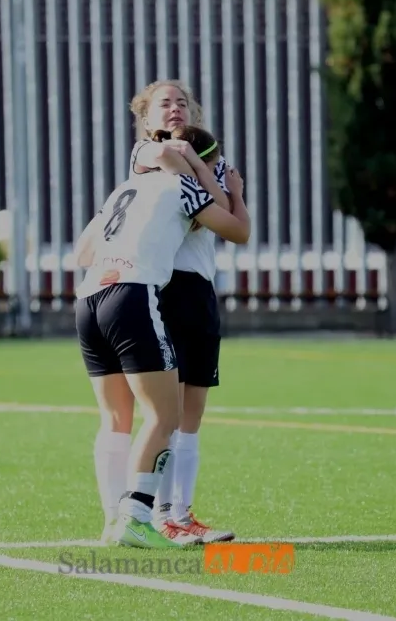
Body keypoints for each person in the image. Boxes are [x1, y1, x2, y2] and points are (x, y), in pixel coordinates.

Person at [73, 125, 250, 549]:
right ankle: (137, 517)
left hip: (88, 299)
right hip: (132, 295)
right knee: (165, 417)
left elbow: (83, 252)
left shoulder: (124, 188)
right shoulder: (184, 188)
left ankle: (117, 517)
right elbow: (237, 229)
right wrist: (233, 191)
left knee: (120, 417)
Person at [128, 80, 242, 544]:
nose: (175, 109)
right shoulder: (148, 155)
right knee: (166, 414)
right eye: (164, 103)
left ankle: (182, 513)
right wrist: (214, 175)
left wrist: (226, 183)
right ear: (146, 116)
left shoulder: (204, 159)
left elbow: (235, 218)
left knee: (192, 415)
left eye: (182, 103)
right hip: (162, 288)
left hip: (200, 291)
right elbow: (209, 207)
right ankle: (152, 513)